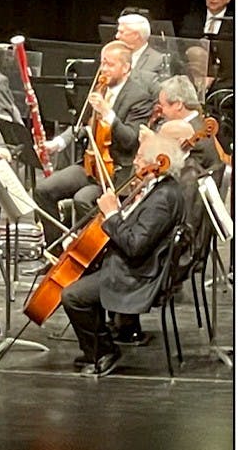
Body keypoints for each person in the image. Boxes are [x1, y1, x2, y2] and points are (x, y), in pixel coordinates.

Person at [60, 133, 186, 377]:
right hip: (133, 264)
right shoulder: (158, 188)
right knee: (80, 274)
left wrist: (111, 214)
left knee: (72, 296)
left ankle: (104, 352)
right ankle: (95, 348)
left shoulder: (163, 198)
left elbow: (134, 245)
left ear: (157, 162)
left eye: (139, 157)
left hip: (138, 274)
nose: (135, 162)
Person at [34, 40, 153, 249]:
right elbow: (85, 126)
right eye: (102, 64)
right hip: (90, 166)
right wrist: (58, 143)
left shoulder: (139, 97)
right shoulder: (100, 88)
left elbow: (130, 140)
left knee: (83, 199)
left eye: (110, 65)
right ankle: (55, 251)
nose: (104, 70)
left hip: (116, 172)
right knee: (44, 189)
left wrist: (109, 114)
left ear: (126, 68)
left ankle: (93, 256)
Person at [114, 12, 168, 97]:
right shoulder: (114, 56)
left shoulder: (158, 60)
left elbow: (162, 94)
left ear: (136, 35)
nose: (117, 36)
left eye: (121, 32)